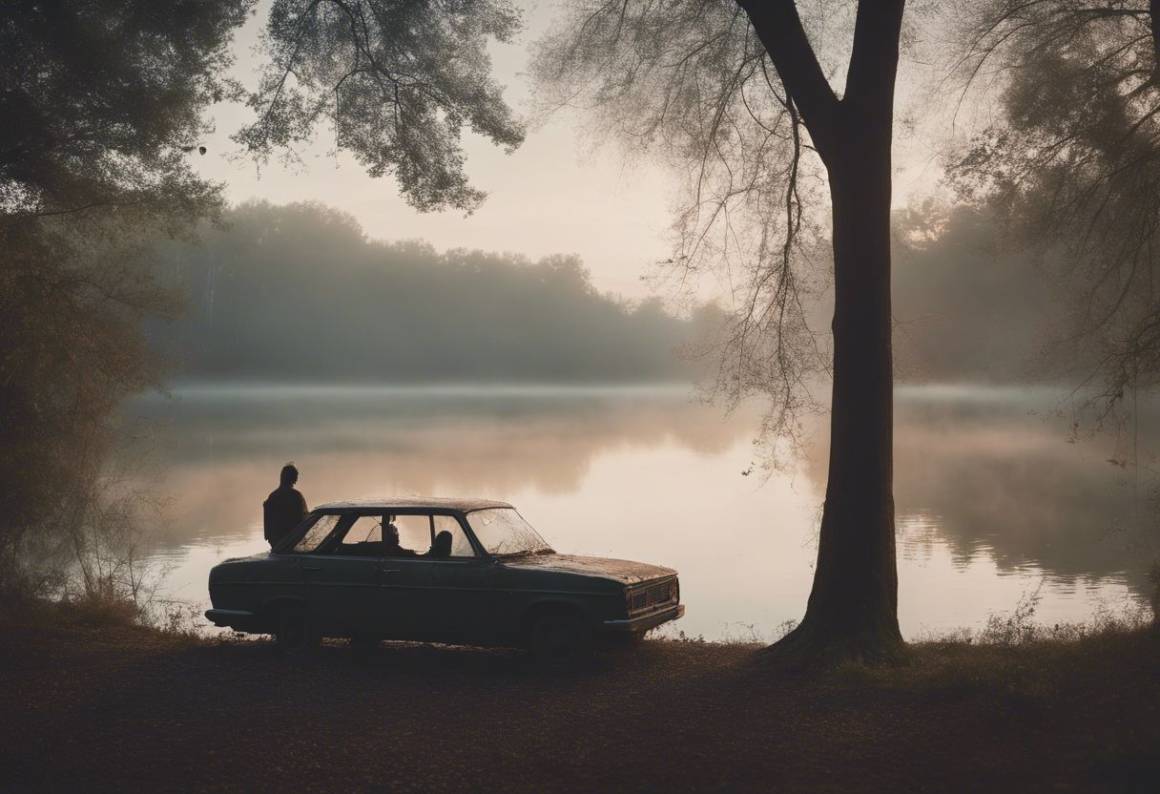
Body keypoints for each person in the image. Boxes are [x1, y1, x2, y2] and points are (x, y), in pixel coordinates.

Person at [263, 463, 308, 548]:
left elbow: (268, 526)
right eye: (296, 475)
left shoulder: (273, 496)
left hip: (276, 543)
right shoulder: (296, 495)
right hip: (292, 542)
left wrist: (272, 540)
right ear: (293, 478)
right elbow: (304, 519)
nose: (297, 478)